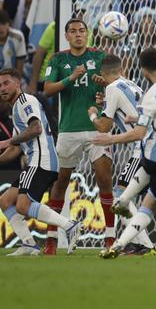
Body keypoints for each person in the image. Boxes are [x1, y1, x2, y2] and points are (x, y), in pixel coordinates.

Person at [94, 47, 156, 259]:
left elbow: (136, 132)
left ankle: (141, 242)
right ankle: (125, 240)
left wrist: (101, 126)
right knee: (143, 203)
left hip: (152, 152)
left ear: (144, 71)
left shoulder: (151, 93)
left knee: (123, 193)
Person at [0, 68, 82, 256]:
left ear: (18, 84)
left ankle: (70, 225)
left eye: (6, 83)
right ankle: (29, 243)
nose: (2, 88)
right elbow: (16, 147)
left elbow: (36, 128)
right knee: (6, 202)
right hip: (37, 161)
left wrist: (7, 141)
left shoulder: (25, 101)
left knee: (22, 205)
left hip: (41, 160)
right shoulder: (16, 108)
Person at [43, 19, 114, 253]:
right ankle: (52, 238)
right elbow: (47, 89)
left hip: (97, 127)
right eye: (73, 31)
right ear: (66, 36)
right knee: (61, 182)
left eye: (82, 31)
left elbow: (116, 84)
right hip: (69, 129)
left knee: (104, 178)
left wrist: (105, 84)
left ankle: (110, 237)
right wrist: (70, 78)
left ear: (88, 34)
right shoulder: (58, 59)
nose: (78, 35)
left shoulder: (100, 56)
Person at [86, 54, 155, 256]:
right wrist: (105, 105)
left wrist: (92, 113)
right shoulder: (129, 83)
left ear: (102, 73)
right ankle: (142, 243)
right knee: (126, 194)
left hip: (143, 146)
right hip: (153, 143)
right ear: (121, 69)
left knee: (119, 194)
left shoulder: (111, 88)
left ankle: (144, 245)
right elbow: (122, 110)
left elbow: (105, 126)